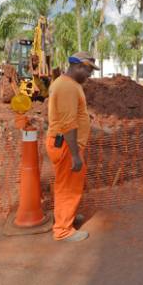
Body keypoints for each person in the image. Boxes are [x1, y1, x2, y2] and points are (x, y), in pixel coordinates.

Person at [45, 51, 99, 242]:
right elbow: (68, 124)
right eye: (88, 70)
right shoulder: (67, 87)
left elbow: (68, 114)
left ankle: (66, 217)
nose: (90, 74)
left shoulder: (66, 83)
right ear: (78, 66)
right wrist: (75, 155)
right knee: (68, 187)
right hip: (67, 145)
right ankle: (63, 230)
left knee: (65, 185)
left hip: (65, 143)